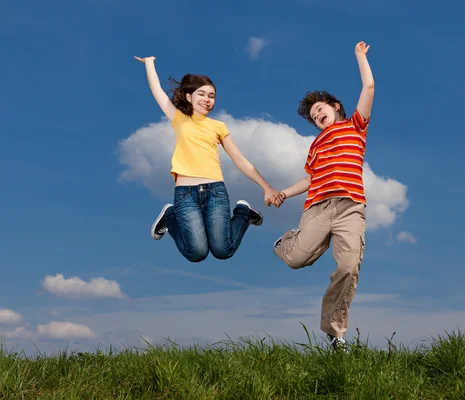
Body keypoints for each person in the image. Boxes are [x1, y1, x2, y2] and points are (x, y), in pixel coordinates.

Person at [272, 41, 374, 350]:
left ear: (336, 106)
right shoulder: (315, 145)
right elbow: (310, 177)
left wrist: (359, 56)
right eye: (314, 116)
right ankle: (284, 242)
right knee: (295, 259)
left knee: (348, 267)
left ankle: (335, 332)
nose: (318, 115)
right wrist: (282, 194)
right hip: (316, 208)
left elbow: (369, 86)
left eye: (321, 109)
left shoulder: (355, 127)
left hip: (350, 208)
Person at [135, 56, 283, 262]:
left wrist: (266, 187)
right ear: (189, 97)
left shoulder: (218, 126)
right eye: (202, 94)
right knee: (196, 253)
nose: (207, 99)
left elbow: (240, 159)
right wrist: (149, 63)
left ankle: (243, 213)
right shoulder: (179, 118)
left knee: (224, 251)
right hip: (185, 194)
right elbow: (156, 90)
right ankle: (170, 216)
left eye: (211, 96)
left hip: (215, 192)